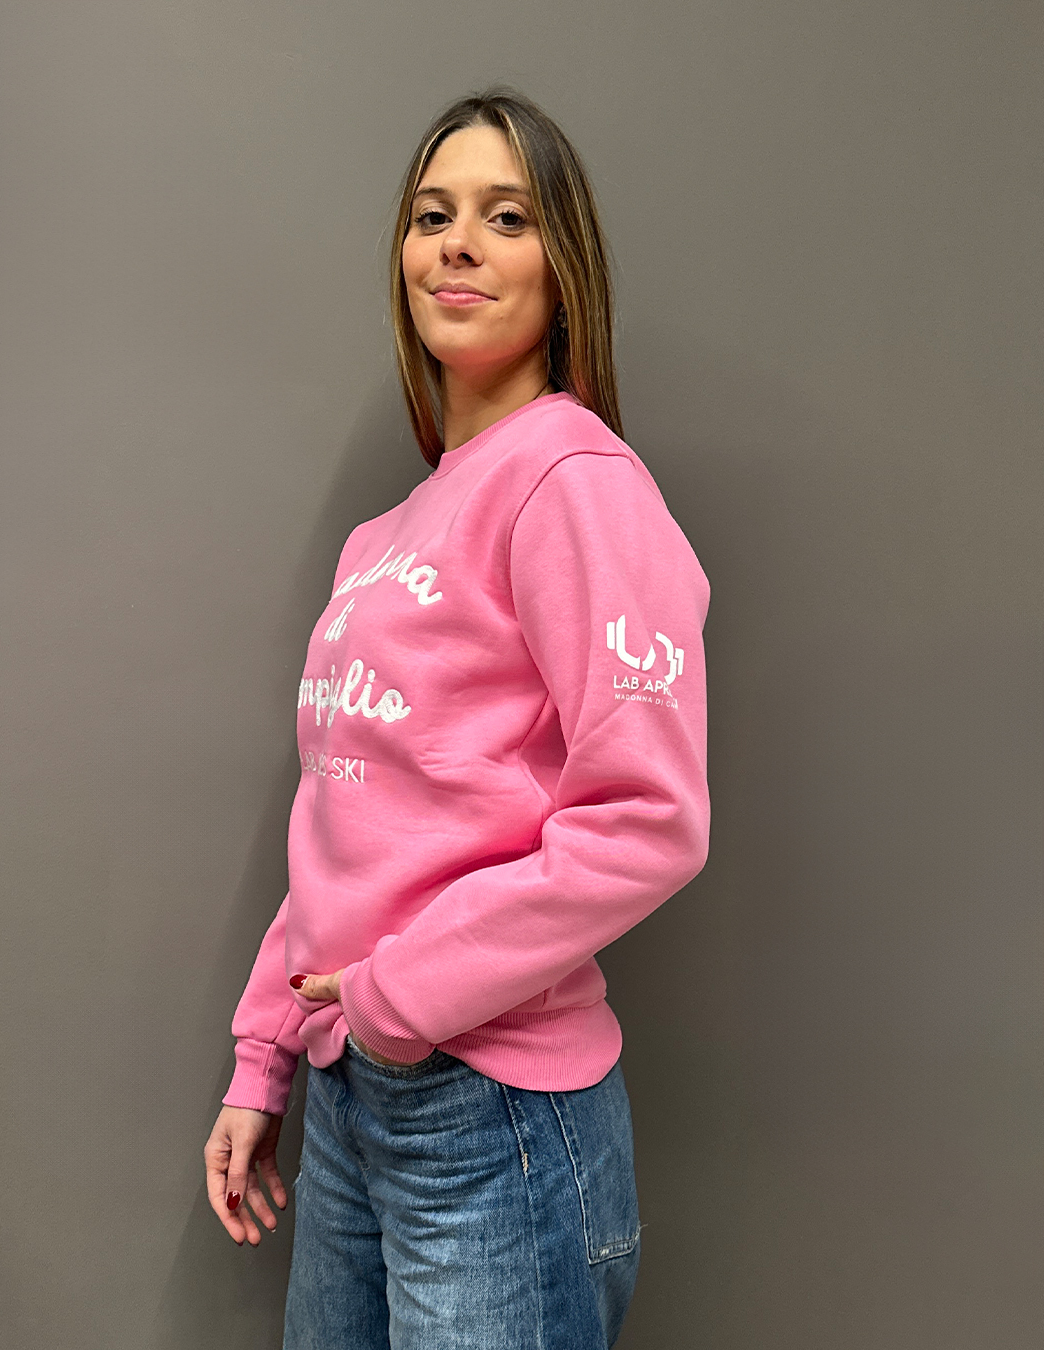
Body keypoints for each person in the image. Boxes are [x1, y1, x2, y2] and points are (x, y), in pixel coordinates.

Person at [203, 86, 710, 1350]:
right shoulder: (383, 535)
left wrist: (401, 998)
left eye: (506, 217)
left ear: (564, 267)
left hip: (493, 1113)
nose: (459, 244)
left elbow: (648, 820)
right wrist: (267, 1056)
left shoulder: (577, 483)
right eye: (432, 216)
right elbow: (346, 819)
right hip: (351, 1100)